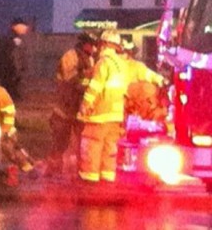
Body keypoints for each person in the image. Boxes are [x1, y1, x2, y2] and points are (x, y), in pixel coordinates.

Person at [77, 29, 131, 184]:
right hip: (115, 115)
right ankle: (107, 176)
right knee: (110, 147)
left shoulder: (103, 63)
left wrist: (85, 104)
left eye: (101, 44)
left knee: (92, 144)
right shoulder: (122, 64)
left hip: (100, 113)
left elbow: (96, 86)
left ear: (105, 44)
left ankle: (90, 177)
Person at [45, 31, 98, 177]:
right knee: (60, 141)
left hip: (78, 107)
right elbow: (69, 80)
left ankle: (80, 170)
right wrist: (89, 76)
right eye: (91, 45)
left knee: (82, 142)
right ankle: (52, 170)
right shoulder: (70, 56)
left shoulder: (90, 59)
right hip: (65, 107)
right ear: (83, 43)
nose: (93, 48)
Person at [121, 39, 167, 121]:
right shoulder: (108, 64)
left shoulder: (135, 66)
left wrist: (160, 79)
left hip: (128, 104)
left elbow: (149, 74)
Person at [0, 18, 29, 101]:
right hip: (11, 74)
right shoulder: (13, 39)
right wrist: (17, 71)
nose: (25, 29)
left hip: (9, 73)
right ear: (16, 27)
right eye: (23, 27)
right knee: (11, 97)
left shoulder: (10, 38)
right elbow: (13, 56)